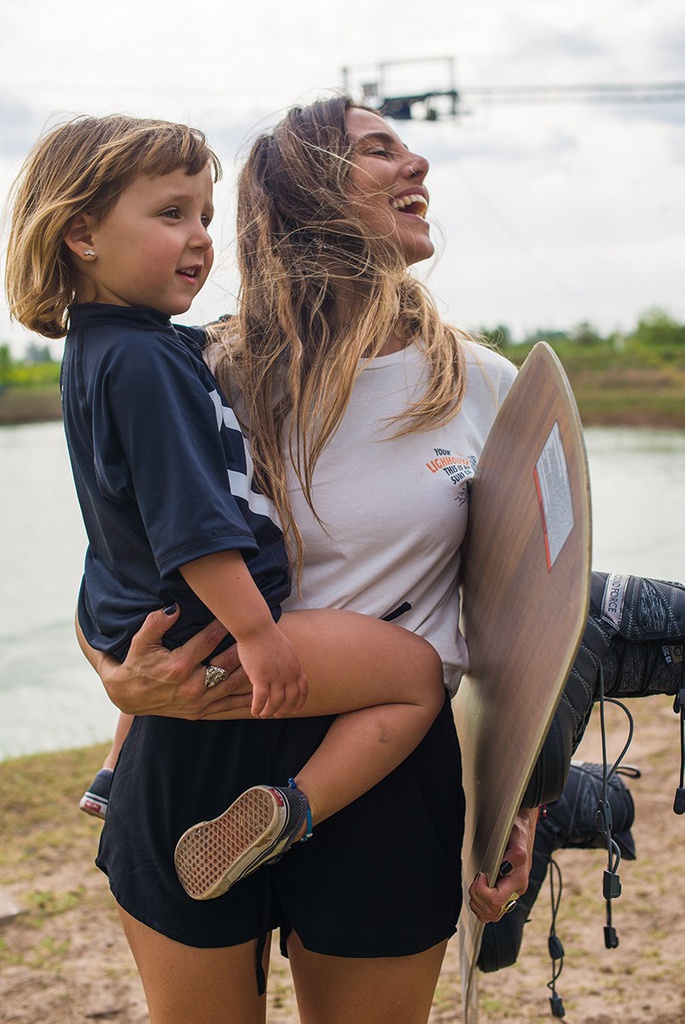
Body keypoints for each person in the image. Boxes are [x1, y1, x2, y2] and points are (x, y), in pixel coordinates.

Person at [73, 97, 538, 1024]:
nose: (418, 167)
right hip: (197, 744)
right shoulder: (205, 368)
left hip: (381, 769)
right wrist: (119, 684)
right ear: (304, 194)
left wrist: (522, 798)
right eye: (380, 150)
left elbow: (526, 621)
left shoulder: (486, 387)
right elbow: (122, 552)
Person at [4, 113, 454, 910]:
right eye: (171, 213)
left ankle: (116, 771)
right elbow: (191, 524)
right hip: (210, 629)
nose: (201, 237)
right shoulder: (150, 364)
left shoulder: (116, 348)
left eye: (206, 215)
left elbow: (121, 529)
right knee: (414, 677)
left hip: (150, 620)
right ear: (80, 234)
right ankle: (291, 809)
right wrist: (257, 635)